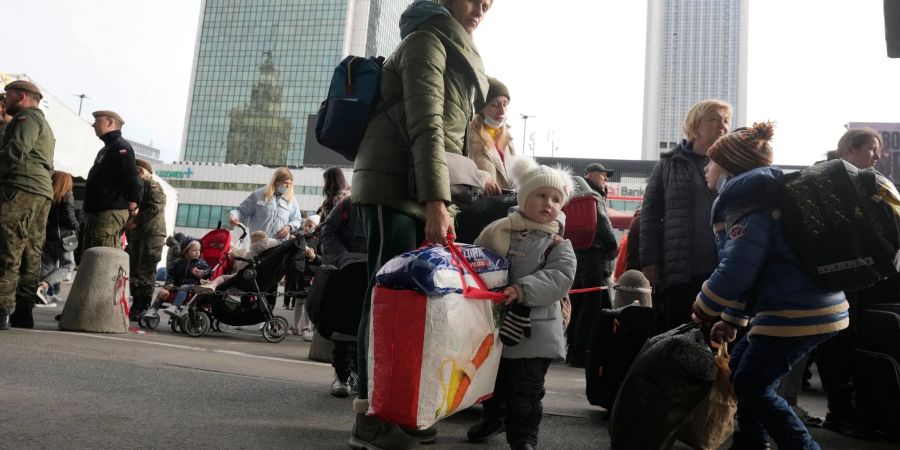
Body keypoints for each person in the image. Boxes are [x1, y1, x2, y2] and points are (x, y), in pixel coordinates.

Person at [349, 0, 492, 447]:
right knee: (389, 299)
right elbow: (426, 125)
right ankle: (371, 415)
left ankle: (402, 407)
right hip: (395, 186)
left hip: (418, 185)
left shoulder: (455, 49)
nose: (483, 6)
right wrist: (437, 201)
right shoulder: (427, 40)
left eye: (490, 1)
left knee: (414, 303)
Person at [691, 122, 849, 450]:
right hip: (808, 305)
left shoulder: (747, 205)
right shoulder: (758, 198)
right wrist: (732, 320)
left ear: (730, 166)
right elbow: (758, 270)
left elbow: (738, 270)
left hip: (795, 311)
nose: (707, 167)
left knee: (753, 384)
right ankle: (751, 443)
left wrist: (704, 305)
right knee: (743, 370)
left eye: (712, 161)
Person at [468, 160, 577, 450]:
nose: (548, 204)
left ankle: (523, 437)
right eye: (541, 195)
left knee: (526, 389)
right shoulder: (499, 231)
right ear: (524, 197)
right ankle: (493, 418)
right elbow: (479, 262)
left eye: (556, 199)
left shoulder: (558, 243)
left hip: (535, 330)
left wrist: (521, 288)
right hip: (497, 322)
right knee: (494, 381)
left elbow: (559, 277)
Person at [816, 127, 889, 439]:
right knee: (838, 340)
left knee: (848, 338)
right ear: (849, 150)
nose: (877, 156)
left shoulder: (863, 182)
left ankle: (846, 409)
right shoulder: (828, 182)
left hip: (856, 276)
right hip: (837, 277)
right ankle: (840, 411)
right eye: (871, 149)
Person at [640, 99, 731, 331]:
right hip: (680, 269)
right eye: (714, 119)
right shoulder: (668, 164)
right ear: (695, 126)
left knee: (718, 339)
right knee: (679, 335)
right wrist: (650, 260)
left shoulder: (733, 163)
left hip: (724, 268)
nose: (722, 125)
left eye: (726, 120)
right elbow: (650, 213)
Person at [0, 80, 56, 330]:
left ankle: (1, 309)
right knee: (31, 253)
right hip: (40, 191)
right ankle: (24, 312)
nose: (5, 100)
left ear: (21, 96)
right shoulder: (44, 124)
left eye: (7, 95)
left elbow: (16, 150)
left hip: (21, 188)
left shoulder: (27, 119)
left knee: (8, 247)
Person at [565, 163, 618, 368]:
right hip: (592, 253)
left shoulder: (575, 192)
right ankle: (580, 353)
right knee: (591, 304)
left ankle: (573, 350)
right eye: (603, 175)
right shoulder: (591, 194)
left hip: (576, 253)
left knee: (578, 302)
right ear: (590, 174)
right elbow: (603, 224)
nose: (605, 179)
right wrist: (613, 246)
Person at [320, 196, 367, 398]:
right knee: (343, 326)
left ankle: (359, 373)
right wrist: (343, 257)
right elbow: (328, 231)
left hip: (376, 271)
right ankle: (342, 374)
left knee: (368, 329)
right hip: (347, 272)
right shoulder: (348, 204)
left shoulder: (390, 199)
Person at [82, 110, 143, 250]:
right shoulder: (108, 148)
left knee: (103, 257)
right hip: (99, 212)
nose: (93, 125)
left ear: (110, 123)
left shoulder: (121, 147)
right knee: (93, 255)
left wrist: (134, 200)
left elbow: (132, 178)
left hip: (110, 212)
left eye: (98, 121)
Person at [125, 160, 167, 320]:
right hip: (140, 234)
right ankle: (136, 304)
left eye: (136, 171)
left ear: (142, 171)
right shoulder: (140, 186)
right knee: (135, 269)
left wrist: (136, 220)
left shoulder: (151, 184)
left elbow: (156, 206)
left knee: (146, 270)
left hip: (152, 234)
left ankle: (143, 305)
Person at [142, 236, 211, 319]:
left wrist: (203, 273)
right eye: (194, 250)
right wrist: (169, 282)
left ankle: (175, 307)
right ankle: (153, 310)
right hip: (177, 285)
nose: (197, 253)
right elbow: (170, 274)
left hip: (192, 286)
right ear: (186, 251)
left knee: (184, 287)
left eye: (199, 251)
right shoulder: (178, 262)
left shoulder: (200, 263)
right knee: (163, 292)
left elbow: (209, 271)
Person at [37, 171, 79, 307]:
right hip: (64, 237)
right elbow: (69, 216)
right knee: (68, 265)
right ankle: (44, 285)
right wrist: (76, 225)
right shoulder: (67, 195)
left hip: (48, 235)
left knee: (47, 265)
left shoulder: (48, 195)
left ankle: (39, 293)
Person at [467, 76, 515, 195]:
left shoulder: (507, 137)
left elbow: (519, 172)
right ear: (481, 108)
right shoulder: (468, 134)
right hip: (483, 207)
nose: (502, 111)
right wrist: (482, 181)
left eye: (505, 104)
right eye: (495, 104)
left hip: (507, 205)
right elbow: (460, 169)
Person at [228, 167, 302, 241]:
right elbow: (241, 211)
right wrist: (233, 216)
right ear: (276, 181)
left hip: (279, 246)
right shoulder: (258, 195)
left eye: (290, 183)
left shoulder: (292, 200)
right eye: (285, 183)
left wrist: (289, 227)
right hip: (257, 244)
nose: (288, 186)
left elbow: (297, 219)